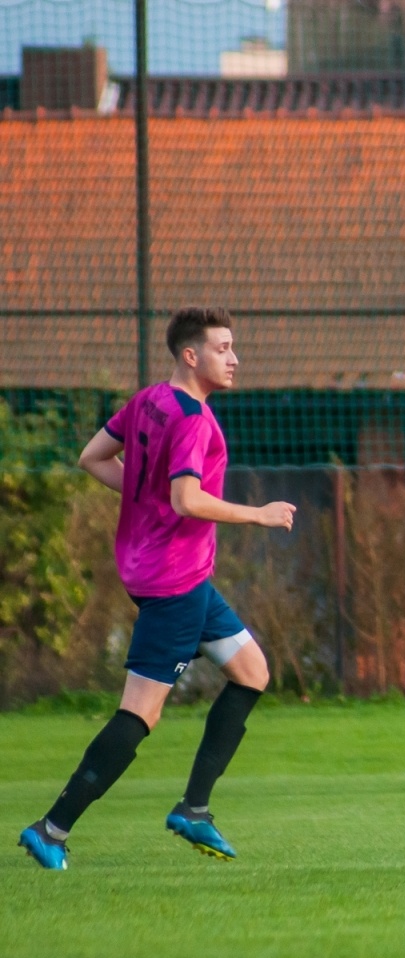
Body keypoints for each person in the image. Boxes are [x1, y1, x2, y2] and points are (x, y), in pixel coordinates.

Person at [17, 308, 296, 871]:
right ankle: (52, 828)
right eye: (223, 348)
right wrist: (258, 514)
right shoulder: (192, 418)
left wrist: (145, 499)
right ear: (191, 355)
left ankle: (194, 809)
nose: (234, 358)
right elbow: (186, 500)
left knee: (252, 672)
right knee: (139, 713)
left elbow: (91, 458)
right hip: (175, 583)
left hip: (163, 573)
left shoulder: (149, 401)